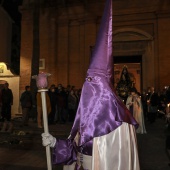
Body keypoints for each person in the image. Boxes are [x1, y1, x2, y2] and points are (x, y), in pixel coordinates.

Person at [42, 0, 140, 169]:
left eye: (93, 81)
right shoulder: (86, 117)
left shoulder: (120, 123)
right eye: (87, 81)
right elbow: (75, 150)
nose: (88, 88)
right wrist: (54, 143)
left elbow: (120, 161)